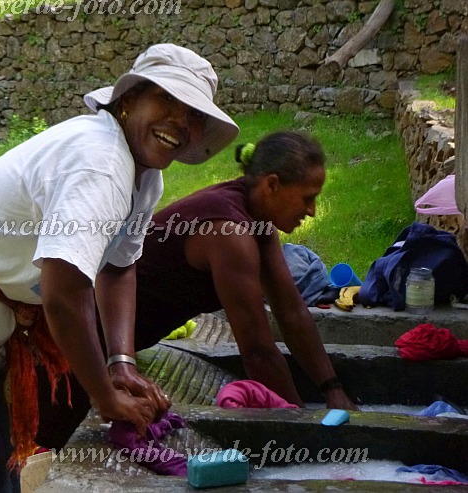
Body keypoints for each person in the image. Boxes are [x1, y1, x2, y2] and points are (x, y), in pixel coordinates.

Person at [0, 43, 239, 493]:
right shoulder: (100, 163)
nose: (180, 122)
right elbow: (65, 294)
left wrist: (121, 361)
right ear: (129, 100)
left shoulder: (145, 177)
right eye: (166, 102)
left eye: (193, 116)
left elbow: (117, 269)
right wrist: (105, 395)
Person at [36, 131, 357, 452]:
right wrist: (299, 426)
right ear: (271, 185)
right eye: (307, 198)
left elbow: (292, 312)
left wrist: (333, 388)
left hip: (110, 342)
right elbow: (257, 351)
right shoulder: (229, 232)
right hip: (76, 341)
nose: (312, 210)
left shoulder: (259, 222)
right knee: (48, 446)